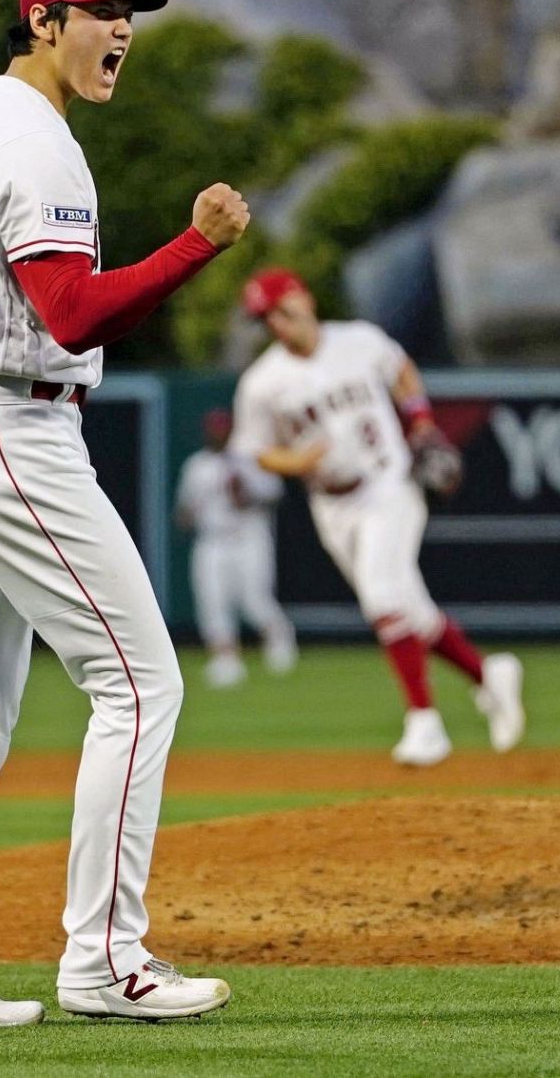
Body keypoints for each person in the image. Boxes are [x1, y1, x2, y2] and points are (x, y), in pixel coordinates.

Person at [0, 0, 248, 1029]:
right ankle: (106, 959)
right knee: (140, 684)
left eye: (130, 11)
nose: (121, 27)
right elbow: (72, 314)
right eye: (99, 10)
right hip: (6, 431)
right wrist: (195, 244)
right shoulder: (37, 141)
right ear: (43, 19)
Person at [231, 266, 525, 767]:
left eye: (281, 309)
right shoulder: (263, 383)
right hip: (332, 505)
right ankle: (488, 674)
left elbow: (402, 371)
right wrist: (293, 462)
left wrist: (423, 423)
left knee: (382, 594)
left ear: (303, 298)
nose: (277, 323)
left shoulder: (359, 341)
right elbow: (255, 450)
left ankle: (424, 723)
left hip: (390, 483)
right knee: (411, 612)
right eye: (267, 319)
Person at [175, 407, 298, 687]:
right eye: (213, 429)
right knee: (212, 601)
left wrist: (247, 493)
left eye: (223, 428)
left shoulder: (250, 459)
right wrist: (190, 514)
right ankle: (226, 659)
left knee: (254, 600)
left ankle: (278, 634)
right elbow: (183, 511)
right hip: (212, 539)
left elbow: (275, 495)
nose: (218, 434)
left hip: (248, 535)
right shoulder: (197, 466)